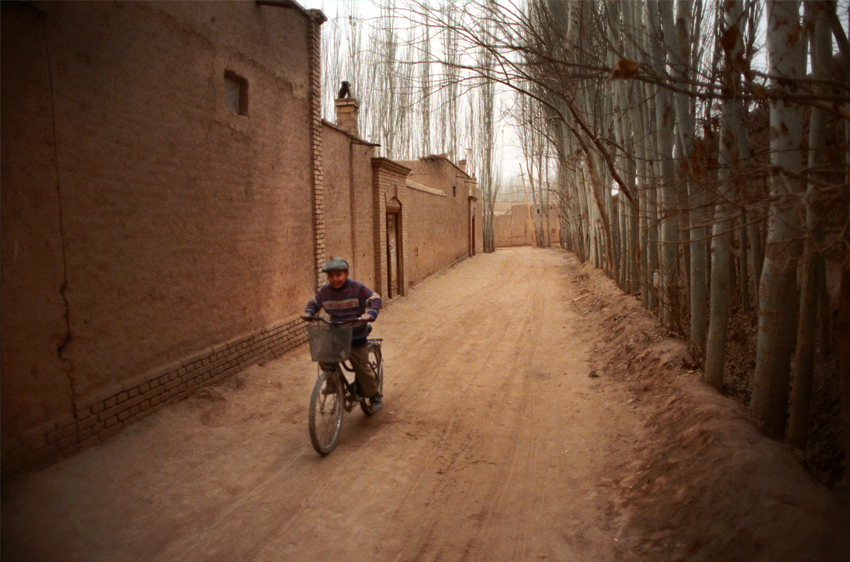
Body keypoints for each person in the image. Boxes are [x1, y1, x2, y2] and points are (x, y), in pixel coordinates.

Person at [301, 257, 383, 412]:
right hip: (337, 334)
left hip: (356, 335)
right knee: (323, 354)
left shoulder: (357, 288)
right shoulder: (325, 292)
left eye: (338, 274)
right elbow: (314, 301)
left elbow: (375, 298)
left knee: (361, 368)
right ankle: (332, 381)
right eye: (331, 276)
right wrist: (309, 311)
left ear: (346, 274)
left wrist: (370, 313)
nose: (335, 279)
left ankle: (374, 396)